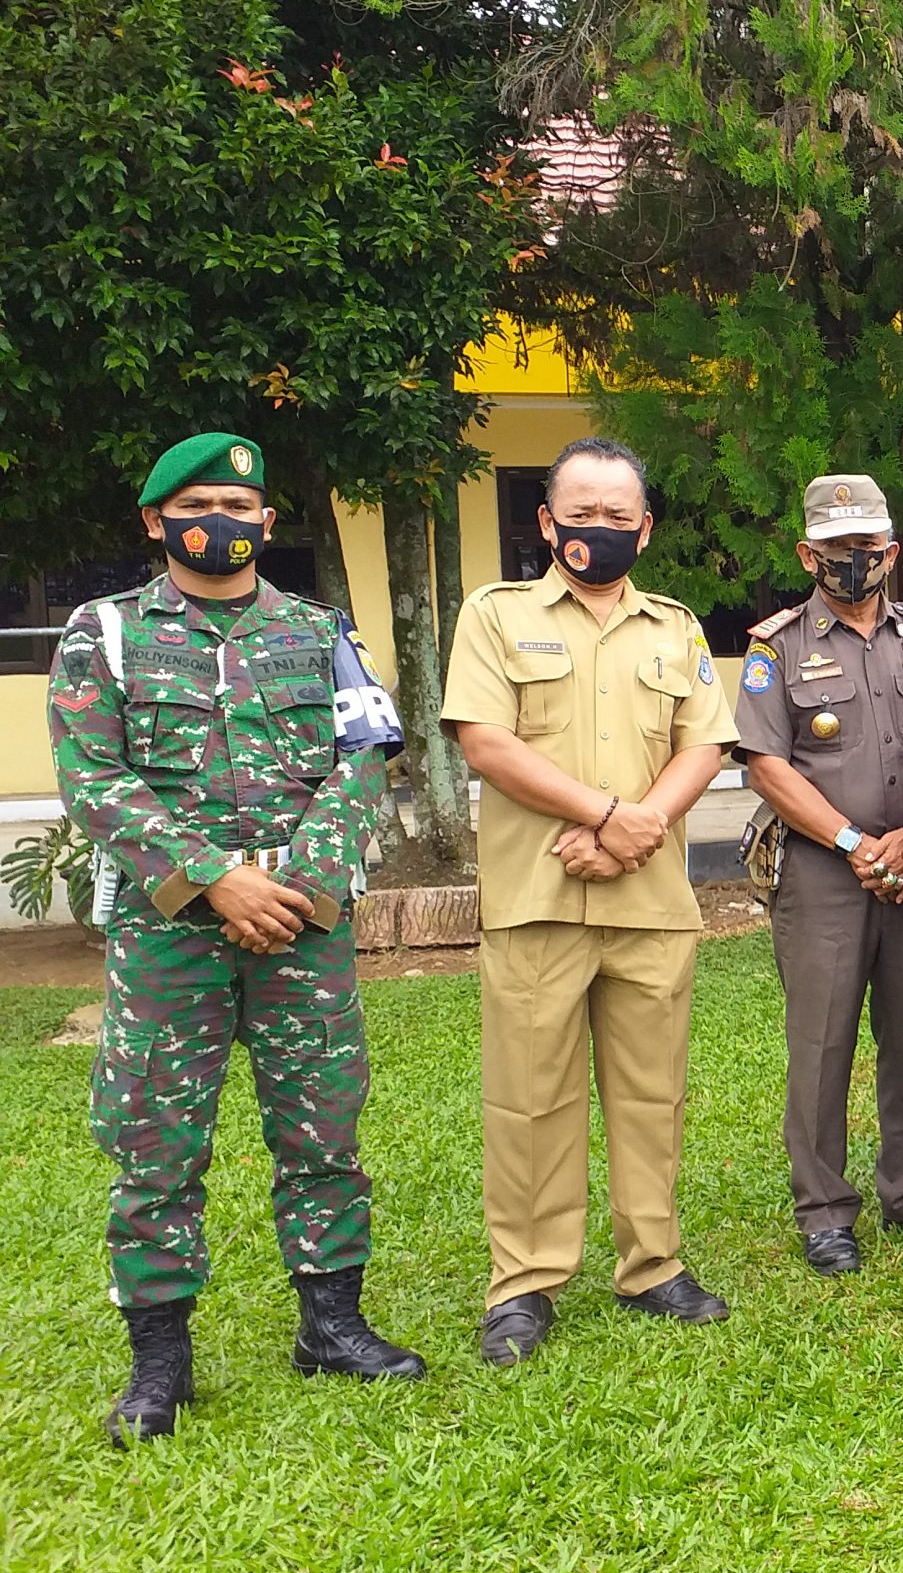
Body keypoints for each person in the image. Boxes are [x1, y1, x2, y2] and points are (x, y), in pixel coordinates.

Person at [48, 430, 422, 1446]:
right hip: (173, 930)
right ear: (157, 521)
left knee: (322, 1130)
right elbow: (93, 777)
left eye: (241, 505)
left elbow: (364, 760)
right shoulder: (106, 634)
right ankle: (160, 1358)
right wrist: (219, 881)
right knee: (157, 1141)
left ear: (266, 522)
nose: (222, 519)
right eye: (199, 502)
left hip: (302, 926)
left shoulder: (318, 630)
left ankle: (332, 1326)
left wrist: (295, 881)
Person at [442, 438, 738, 1365]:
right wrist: (610, 814)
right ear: (546, 521)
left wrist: (639, 826)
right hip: (537, 898)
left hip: (649, 902)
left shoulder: (676, 629)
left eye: (618, 516)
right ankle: (525, 1285)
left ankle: (653, 1266)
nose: (597, 529)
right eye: (581, 512)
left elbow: (705, 744)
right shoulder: (495, 617)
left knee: (653, 1096)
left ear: (644, 530)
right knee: (529, 1099)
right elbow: (485, 741)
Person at [735, 475, 903, 1276]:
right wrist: (853, 843)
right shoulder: (777, 648)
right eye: (836, 551)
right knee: (822, 1040)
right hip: (822, 875)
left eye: (867, 549)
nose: (852, 564)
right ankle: (826, 1210)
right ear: (808, 554)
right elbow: (767, 766)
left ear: (891, 552)